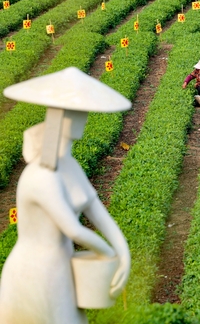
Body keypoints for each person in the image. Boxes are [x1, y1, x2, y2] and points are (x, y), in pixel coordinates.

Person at [0, 67, 131, 324]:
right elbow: (74, 230)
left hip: (62, 267)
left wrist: (123, 252)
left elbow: (96, 210)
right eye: (76, 113)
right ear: (60, 118)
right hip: (35, 273)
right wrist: (110, 256)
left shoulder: (70, 166)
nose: (83, 118)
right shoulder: (41, 175)